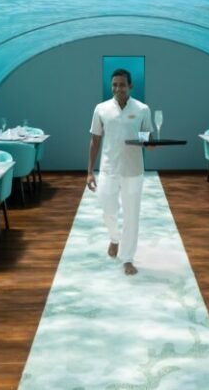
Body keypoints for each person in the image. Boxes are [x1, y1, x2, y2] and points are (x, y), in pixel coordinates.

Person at [87, 68, 153, 276]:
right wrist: (89, 172)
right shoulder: (101, 109)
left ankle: (127, 258)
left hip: (133, 170)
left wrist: (148, 145)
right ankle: (114, 238)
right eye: (114, 85)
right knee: (108, 209)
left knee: (132, 215)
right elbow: (95, 140)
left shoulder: (142, 109)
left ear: (130, 86)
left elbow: (145, 139)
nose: (118, 88)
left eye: (122, 84)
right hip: (108, 168)